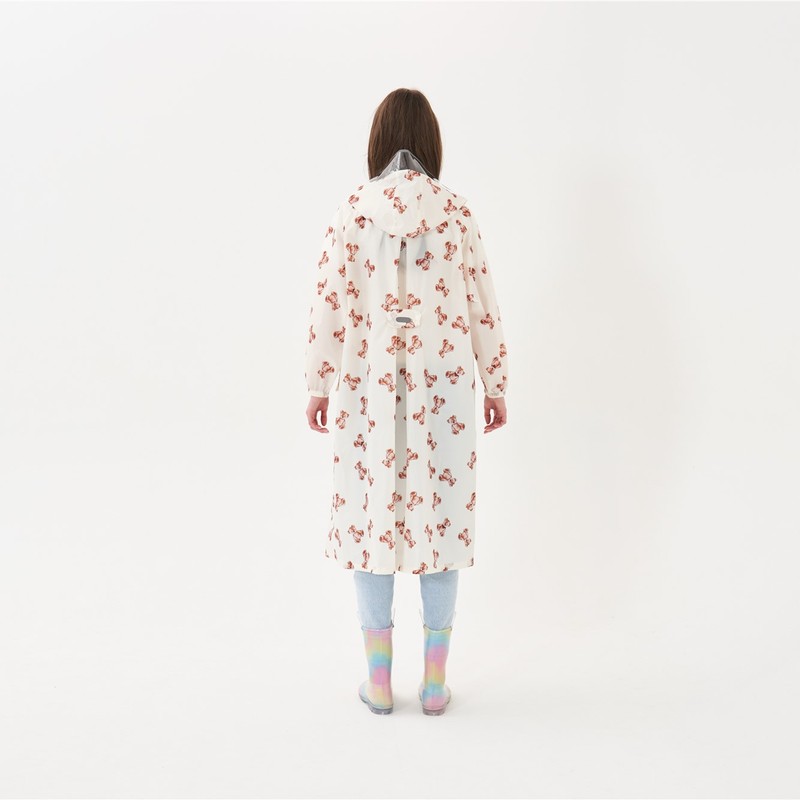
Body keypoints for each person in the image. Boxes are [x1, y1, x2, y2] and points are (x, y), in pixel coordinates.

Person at [304, 88, 509, 715]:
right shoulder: (457, 213)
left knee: (371, 522)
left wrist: (318, 382)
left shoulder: (353, 211)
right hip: (441, 392)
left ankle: (378, 682)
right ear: (431, 140)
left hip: (367, 391)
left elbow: (329, 303)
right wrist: (495, 382)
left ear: (378, 140)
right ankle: (436, 684)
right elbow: (481, 302)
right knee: (439, 523)